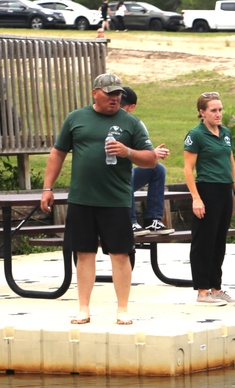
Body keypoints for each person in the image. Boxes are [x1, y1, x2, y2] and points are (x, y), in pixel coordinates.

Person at [39, 73, 157, 325]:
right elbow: (58, 153)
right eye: (109, 94)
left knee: (120, 254)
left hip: (115, 199)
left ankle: (122, 309)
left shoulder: (131, 123)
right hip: (82, 198)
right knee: (83, 253)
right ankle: (83, 308)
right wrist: (47, 188)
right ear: (95, 92)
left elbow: (151, 159)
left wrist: (127, 152)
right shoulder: (76, 118)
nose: (114, 98)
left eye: (118, 95)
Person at [183, 91, 235, 306]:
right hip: (207, 189)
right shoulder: (196, 135)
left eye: (220, 110)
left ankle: (216, 288)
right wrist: (196, 198)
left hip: (225, 190)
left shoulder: (225, 133)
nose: (218, 114)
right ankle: (202, 290)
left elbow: (231, 164)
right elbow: (188, 169)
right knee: (204, 242)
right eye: (213, 110)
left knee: (219, 241)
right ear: (202, 112)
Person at [119, 87, 173, 236]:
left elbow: (142, 154)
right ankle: (130, 222)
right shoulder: (107, 121)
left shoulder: (135, 124)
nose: (118, 108)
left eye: (122, 106)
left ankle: (153, 220)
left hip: (124, 179)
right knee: (127, 173)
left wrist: (152, 154)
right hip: (109, 178)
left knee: (158, 169)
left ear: (132, 107)